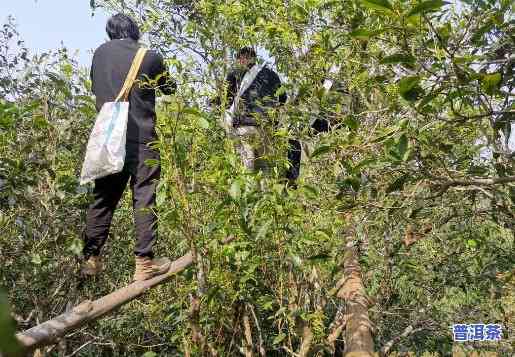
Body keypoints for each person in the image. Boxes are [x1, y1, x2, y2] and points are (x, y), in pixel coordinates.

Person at [81, 13, 176, 281]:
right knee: (144, 196)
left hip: (110, 140)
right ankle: (144, 262)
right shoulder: (150, 56)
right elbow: (169, 87)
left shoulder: (99, 54)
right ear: (134, 30)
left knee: (103, 199)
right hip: (141, 138)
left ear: (110, 32)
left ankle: (91, 257)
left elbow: (96, 88)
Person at [222, 47, 287, 172]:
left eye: (240, 59)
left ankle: (248, 190)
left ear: (241, 59)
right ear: (254, 59)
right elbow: (283, 98)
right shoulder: (272, 75)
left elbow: (226, 100)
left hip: (244, 126)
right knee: (265, 166)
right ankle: (267, 190)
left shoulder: (235, 74)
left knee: (247, 166)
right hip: (265, 126)